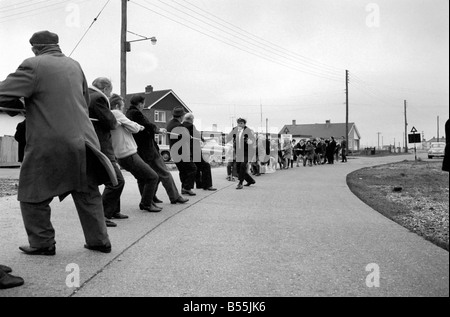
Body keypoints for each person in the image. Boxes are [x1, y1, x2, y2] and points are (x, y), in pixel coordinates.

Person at [0, 30, 116, 255]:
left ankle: (43, 243)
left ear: (35, 47)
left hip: (52, 141)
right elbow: (83, 100)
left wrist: (21, 102)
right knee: (86, 190)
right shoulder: (75, 65)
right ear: (57, 45)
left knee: (32, 192)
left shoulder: (32, 65)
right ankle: (100, 241)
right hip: (86, 140)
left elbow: (2, 93)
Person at [126, 96, 188, 205]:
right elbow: (146, 126)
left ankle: (151, 197)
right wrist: (158, 130)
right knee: (164, 172)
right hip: (148, 149)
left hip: (139, 149)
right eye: (143, 103)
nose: (144, 106)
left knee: (151, 175)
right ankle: (175, 196)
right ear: (140, 104)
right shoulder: (136, 114)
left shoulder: (129, 113)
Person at [110, 95, 162, 213]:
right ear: (117, 106)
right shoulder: (116, 113)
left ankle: (147, 202)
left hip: (121, 154)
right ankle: (146, 203)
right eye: (122, 106)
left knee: (141, 178)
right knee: (153, 176)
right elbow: (134, 128)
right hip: (128, 153)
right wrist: (140, 127)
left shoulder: (109, 115)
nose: (124, 109)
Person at [89, 78, 127, 227]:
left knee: (107, 180)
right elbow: (110, 122)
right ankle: (103, 215)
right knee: (116, 181)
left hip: (92, 144)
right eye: (110, 91)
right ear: (105, 89)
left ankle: (113, 211)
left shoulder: (87, 95)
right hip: (101, 146)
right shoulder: (98, 98)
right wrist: (115, 122)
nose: (110, 95)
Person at [167, 107, 198, 196]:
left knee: (183, 170)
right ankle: (187, 188)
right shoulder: (178, 126)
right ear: (181, 116)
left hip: (174, 151)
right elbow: (186, 137)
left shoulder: (170, 124)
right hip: (181, 152)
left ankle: (184, 188)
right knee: (192, 168)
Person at [182, 113, 217, 191]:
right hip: (194, 149)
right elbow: (197, 135)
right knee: (206, 166)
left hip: (187, 150)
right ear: (191, 119)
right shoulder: (190, 126)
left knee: (196, 167)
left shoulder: (182, 126)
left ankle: (199, 184)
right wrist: (203, 139)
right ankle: (207, 185)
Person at [226, 118, 256, 189]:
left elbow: (253, 139)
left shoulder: (248, 130)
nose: (240, 125)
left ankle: (240, 183)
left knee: (243, 165)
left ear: (244, 124)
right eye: (239, 123)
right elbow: (229, 137)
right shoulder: (235, 129)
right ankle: (250, 180)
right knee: (238, 168)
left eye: (241, 123)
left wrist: (250, 141)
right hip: (238, 152)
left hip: (247, 151)